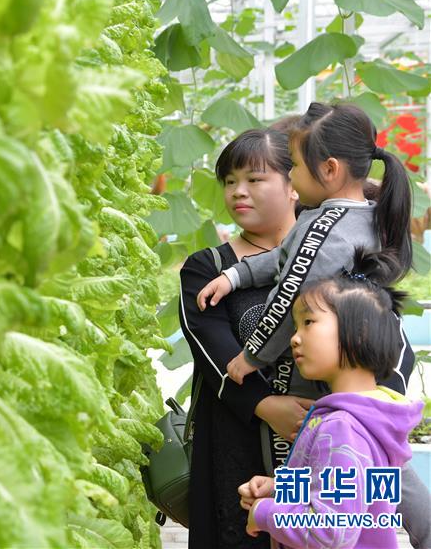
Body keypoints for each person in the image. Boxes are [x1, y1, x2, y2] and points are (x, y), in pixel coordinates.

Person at [196, 102, 414, 392]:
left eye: (295, 165)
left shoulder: (324, 231)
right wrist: (236, 276)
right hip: (353, 371)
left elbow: (288, 296)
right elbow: (292, 256)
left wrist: (252, 356)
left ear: (329, 169)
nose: (292, 176)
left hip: (310, 377)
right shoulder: (367, 217)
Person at [180, 128, 316, 548]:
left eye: (255, 180)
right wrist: (267, 406)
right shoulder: (207, 268)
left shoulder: (329, 256)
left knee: (317, 529)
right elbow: (212, 349)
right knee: (243, 532)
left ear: (295, 184)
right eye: (230, 181)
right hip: (233, 441)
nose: (239, 191)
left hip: (322, 437)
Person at [239, 250, 423, 548]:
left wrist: (263, 512)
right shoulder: (371, 417)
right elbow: (351, 492)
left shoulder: (342, 427)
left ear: (359, 333)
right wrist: (279, 489)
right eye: (295, 327)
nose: (294, 338)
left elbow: (331, 531)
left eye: (308, 322)